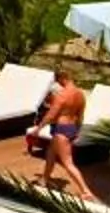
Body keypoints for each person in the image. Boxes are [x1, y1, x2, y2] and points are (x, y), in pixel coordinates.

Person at [36, 70, 95, 202]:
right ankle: (45, 179)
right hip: (71, 127)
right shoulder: (80, 94)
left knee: (68, 163)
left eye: (58, 81)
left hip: (61, 129)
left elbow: (51, 115)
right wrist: (77, 131)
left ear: (63, 78)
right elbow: (80, 116)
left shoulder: (62, 95)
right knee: (51, 152)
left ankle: (86, 191)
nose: (58, 84)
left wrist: (38, 129)